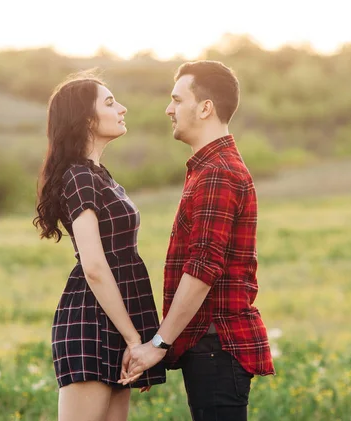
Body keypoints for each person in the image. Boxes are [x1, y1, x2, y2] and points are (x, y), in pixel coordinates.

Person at [120, 60, 275, 420]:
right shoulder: (208, 169)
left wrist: (158, 344)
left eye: (177, 99)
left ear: (205, 107)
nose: (168, 109)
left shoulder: (217, 173)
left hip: (216, 344)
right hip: (211, 345)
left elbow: (204, 268)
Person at [33, 71, 165, 421]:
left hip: (116, 318)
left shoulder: (98, 173)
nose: (122, 108)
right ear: (86, 119)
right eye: (109, 102)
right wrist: (133, 337)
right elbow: (93, 264)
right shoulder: (79, 176)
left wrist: (131, 335)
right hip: (92, 320)